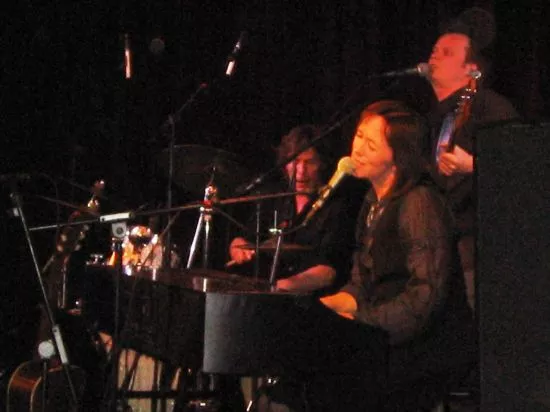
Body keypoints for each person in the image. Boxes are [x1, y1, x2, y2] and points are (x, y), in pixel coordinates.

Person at [319, 100, 476, 411]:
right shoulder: (372, 202)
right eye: (359, 136)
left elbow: (425, 297)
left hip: (425, 351)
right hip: (385, 340)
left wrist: (361, 324)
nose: (357, 149)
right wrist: (323, 310)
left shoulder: (419, 202)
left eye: (371, 144)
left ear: (397, 157)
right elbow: (361, 284)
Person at [425, 8, 519, 311]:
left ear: (472, 70)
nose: (434, 56)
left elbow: (521, 169)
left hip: (479, 247)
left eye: (447, 53)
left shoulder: (491, 107)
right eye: (434, 50)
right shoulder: (441, 116)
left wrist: (473, 165)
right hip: (445, 246)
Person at [228, 124, 364, 294]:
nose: (301, 171)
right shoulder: (273, 196)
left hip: (311, 299)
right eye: (295, 161)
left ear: (322, 164)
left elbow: (329, 270)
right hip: (264, 291)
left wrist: (281, 287)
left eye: (310, 162)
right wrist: (237, 246)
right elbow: (245, 239)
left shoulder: (337, 206)